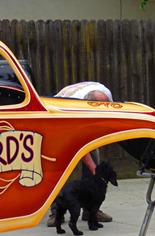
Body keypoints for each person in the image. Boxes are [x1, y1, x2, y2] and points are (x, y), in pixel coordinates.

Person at [47, 81, 114, 227]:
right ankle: (55, 212)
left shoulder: (106, 96)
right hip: (58, 125)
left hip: (79, 120)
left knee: (93, 164)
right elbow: (77, 144)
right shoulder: (72, 110)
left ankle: (91, 210)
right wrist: (92, 167)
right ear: (89, 106)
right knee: (57, 170)